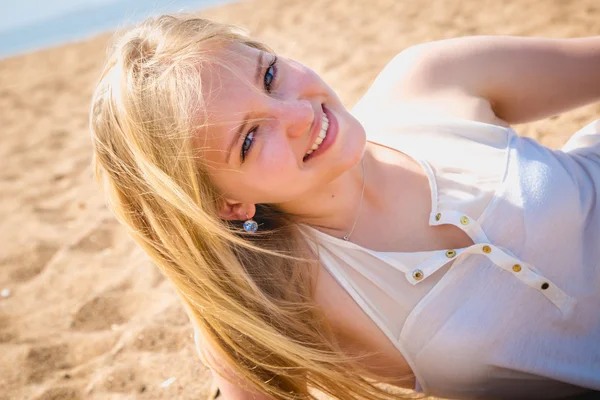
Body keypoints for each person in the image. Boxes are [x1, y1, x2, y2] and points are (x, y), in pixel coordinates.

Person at [89, 13, 600, 400]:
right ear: (227, 202)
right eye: (248, 139)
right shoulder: (274, 299)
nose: (297, 112)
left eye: (269, 76)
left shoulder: (428, 81)